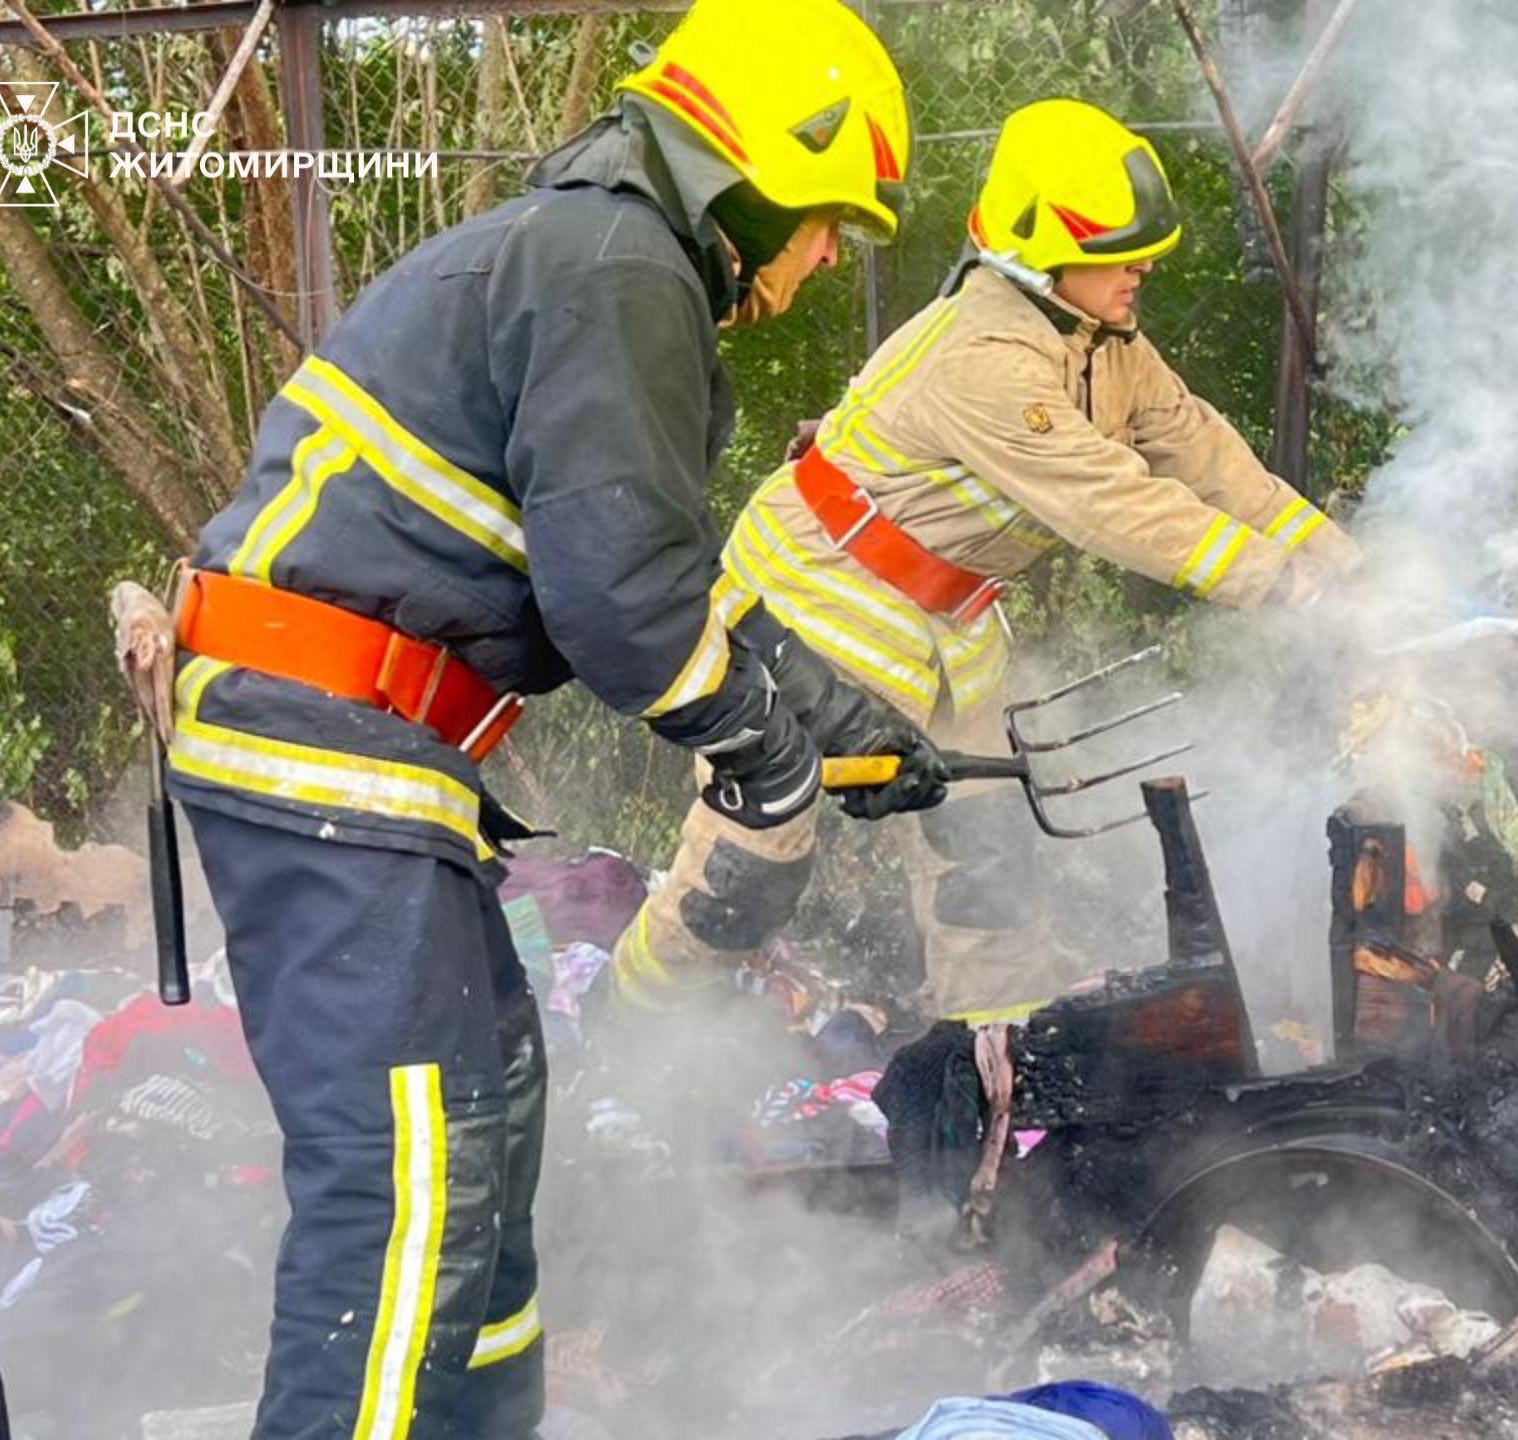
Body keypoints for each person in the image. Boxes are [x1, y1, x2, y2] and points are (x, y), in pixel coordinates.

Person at [156, 3, 941, 1433]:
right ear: (756, 171)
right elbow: (626, 610)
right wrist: (763, 753)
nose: (829, 257)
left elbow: (653, 575)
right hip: (332, 745)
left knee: (486, 1139)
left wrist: (837, 717)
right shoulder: (618, 265)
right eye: (828, 219)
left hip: (350, 753)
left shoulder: (592, 257)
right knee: (404, 1190)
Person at [616, 97, 1361, 1025]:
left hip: (947, 626)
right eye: (1116, 252)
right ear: (1042, 252)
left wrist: (1355, 578)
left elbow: (1214, 466)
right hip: (814, 604)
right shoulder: (984, 355)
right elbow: (1112, 502)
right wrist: (1285, 588)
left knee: (988, 864)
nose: (1142, 268)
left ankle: (993, 1069)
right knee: (753, 860)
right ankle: (629, 1022)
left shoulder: (1108, 344)